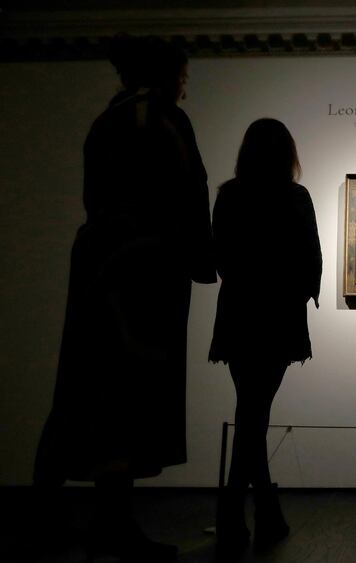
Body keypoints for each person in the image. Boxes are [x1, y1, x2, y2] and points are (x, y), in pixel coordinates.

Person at [33, 35, 215, 562]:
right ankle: (109, 523)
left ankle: (57, 513)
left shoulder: (107, 121)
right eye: (181, 77)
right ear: (164, 76)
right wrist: (202, 262)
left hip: (100, 262)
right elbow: (189, 193)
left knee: (86, 388)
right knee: (129, 394)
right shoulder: (160, 120)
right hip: (143, 270)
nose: (184, 88)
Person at [209, 118, 322, 556]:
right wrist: (298, 291)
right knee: (255, 414)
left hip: (241, 315)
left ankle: (248, 514)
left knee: (251, 412)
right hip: (278, 316)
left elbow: (221, 259)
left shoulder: (230, 195)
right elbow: (310, 258)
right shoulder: (295, 197)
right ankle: (246, 513)